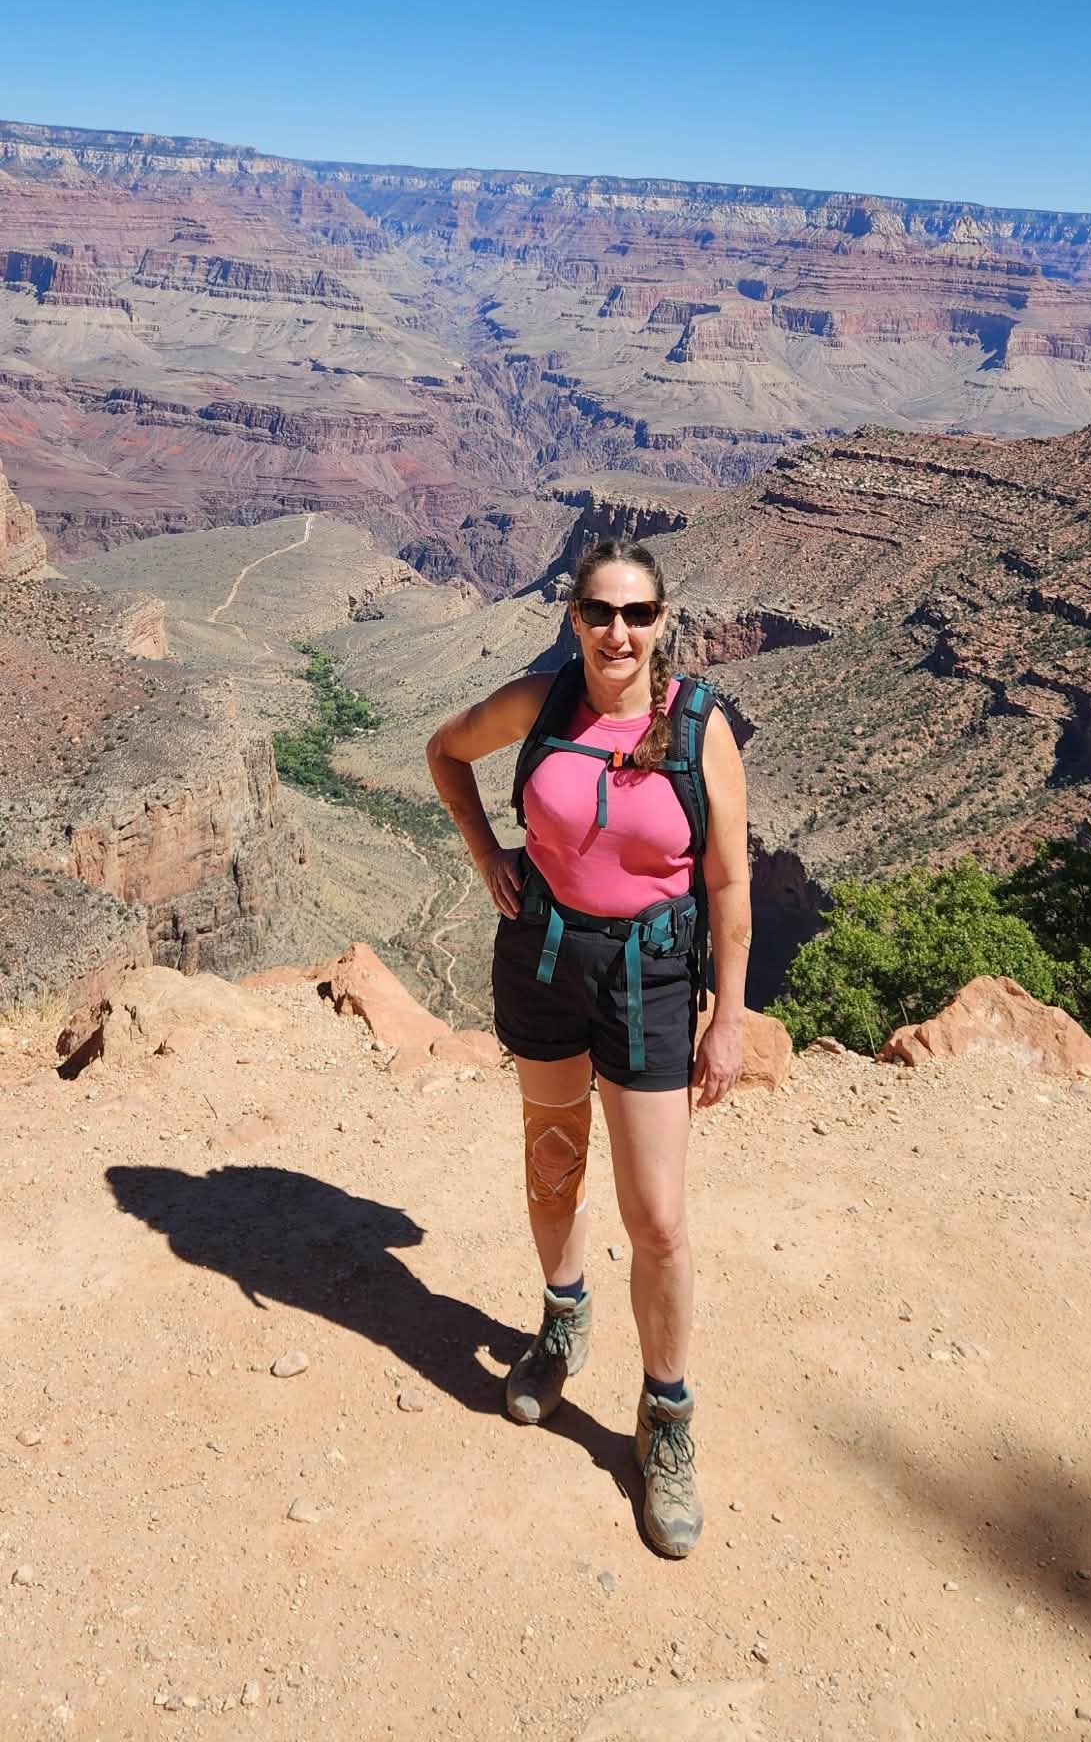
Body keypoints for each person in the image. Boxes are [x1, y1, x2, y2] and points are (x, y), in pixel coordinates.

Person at [426, 538, 751, 1558]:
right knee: (552, 1160)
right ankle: (563, 1321)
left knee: (656, 1216)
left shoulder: (701, 728)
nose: (620, 631)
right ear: (574, 617)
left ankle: (666, 1420)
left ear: (664, 622)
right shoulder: (542, 703)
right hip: (544, 956)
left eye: (639, 613)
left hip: (652, 977)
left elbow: (731, 885)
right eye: (601, 611)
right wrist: (486, 853)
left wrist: (728, 1014)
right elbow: (444, 750)